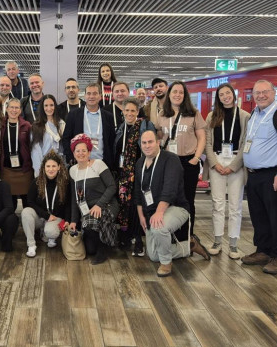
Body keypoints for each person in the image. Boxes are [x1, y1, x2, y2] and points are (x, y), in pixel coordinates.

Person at [238, 80, 277, 274]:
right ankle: (263, 251)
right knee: (259, 216)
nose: (261, 96)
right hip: (254, 175)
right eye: (257, 93)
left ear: (274, 93)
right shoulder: (255, 113)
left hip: (274, 175)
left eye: (265, 92)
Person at [135, 130, 201, 276]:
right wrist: (141, 216)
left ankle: (166, 264)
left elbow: (169, 189)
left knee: (159, 227)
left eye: (150, 142)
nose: (147, 146)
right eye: (144, 143)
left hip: (176, 207)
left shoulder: (170, 159)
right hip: (152, 210)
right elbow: (138, 194)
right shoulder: (140, 163)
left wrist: (159, 212)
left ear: (158, 142)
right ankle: (190, 246)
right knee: (153, 255)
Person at [156, 81, 209, 258]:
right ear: (169, 94)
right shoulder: (162, 114)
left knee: (187, 201)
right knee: (168, 199)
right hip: (168, 162)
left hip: (188, 162)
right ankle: (170, 236)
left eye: (181, 92)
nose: (177, 95)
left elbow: (202, 137)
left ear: (184, 95)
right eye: (174, 92)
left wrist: (196, 158)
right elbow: (159, 137)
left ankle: (187, 237)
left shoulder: (193, 114)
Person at [204, 83, 250, 259]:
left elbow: (246, 142)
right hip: (217, 161)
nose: (225, 96)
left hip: (235, 161)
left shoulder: (244, 116)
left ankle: (233, 244)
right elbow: (208, 142)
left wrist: (233, 166)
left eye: (228, 93)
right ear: (218, 97)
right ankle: (217, 241)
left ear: (234, 94)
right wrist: (214, 164)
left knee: (235, 205)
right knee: (217, 203)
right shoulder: (212, 116)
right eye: (222, 94)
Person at [69, 134, 119, 264]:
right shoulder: (73, 171)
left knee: (95, 222)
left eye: (84, 150)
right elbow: (75, 198)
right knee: (90, 250)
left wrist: (99, 205)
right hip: (88, 209)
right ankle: (103, 240)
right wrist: (73, 221)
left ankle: (104, 248)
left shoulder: (98, 164)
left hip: (106, 204)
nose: (81, 153)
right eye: (77, 151)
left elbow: (112, 186)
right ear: (73, 153)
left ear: (89, 152)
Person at [114, 98, 155, 256]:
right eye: (127, 110)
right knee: (125, 205)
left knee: (139, 204)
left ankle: (139, 240)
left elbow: (150, 148)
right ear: (122, 112)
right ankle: (127, 235)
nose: (130, 113)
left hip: (139, 173)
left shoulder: (144, 126)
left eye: (133, 110)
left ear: (137, 112)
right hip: (123, 174)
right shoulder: (121, 128)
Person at [21, 151, 71, 257]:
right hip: (41, 216)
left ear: (59, 167)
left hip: (56, 217)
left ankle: (47, 233)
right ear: (43, 168)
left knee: (51, 232)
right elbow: (30, 201)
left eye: (54, 166)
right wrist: (46, 215)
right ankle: (31, 245)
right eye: (48, 166)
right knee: (25, 212)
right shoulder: (36, 182)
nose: (51, 169)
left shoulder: (65, 183)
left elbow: (68, 204)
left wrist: (67, 220)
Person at [61, 83, 116, 167]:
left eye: (95, 93)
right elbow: (66, 138)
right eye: (89, 93)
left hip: (102, 163)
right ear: (85, 96)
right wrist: (71, 157)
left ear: (100, 96)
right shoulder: (73, 115)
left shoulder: (108, 116)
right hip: (80, 162)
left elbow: (112, 141)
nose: (91, 96)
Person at [0, 98, 33, 206]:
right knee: (10, 203)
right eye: (11, 107)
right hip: (7, 170)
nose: (14, 110)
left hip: (24, 170)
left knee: (27, 202)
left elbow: (31, 146)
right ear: (7, 109)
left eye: (16, 108)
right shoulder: (1, 125)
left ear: (20, 110)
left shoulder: (27, 126)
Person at [31, 94, 65, 177]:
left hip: (58, 167)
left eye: (51, 105)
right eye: (46, 105)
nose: (49, 108)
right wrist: (41, 170)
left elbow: (63, 148)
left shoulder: (62, 124)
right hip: (43, 166)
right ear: (42, 107)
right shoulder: (37, 126)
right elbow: (35, 151)